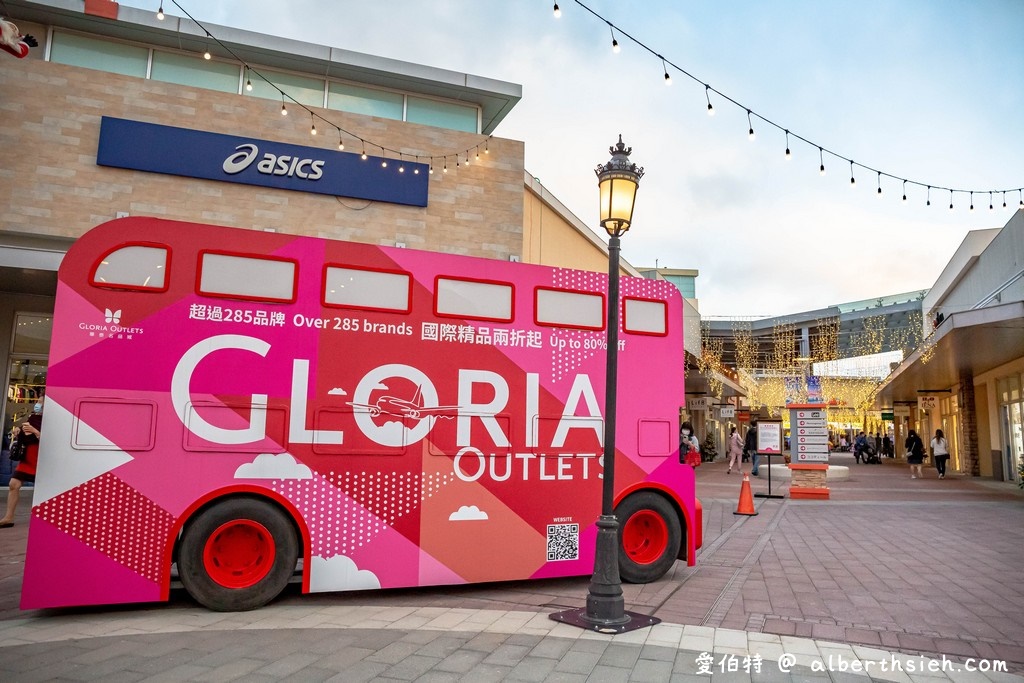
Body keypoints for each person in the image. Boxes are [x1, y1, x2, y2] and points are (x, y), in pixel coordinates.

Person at [0, 395, 43, 528]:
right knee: (14, 484)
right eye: (38, 401)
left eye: (41, 402)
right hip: (27, 459)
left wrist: (36, 432)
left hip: (42, 460)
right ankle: (9, 517)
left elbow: (56, 441)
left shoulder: (54, 421)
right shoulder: (33, 417)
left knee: (46, 490)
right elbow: (27, 434)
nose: (38, 404)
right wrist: (19, 431)